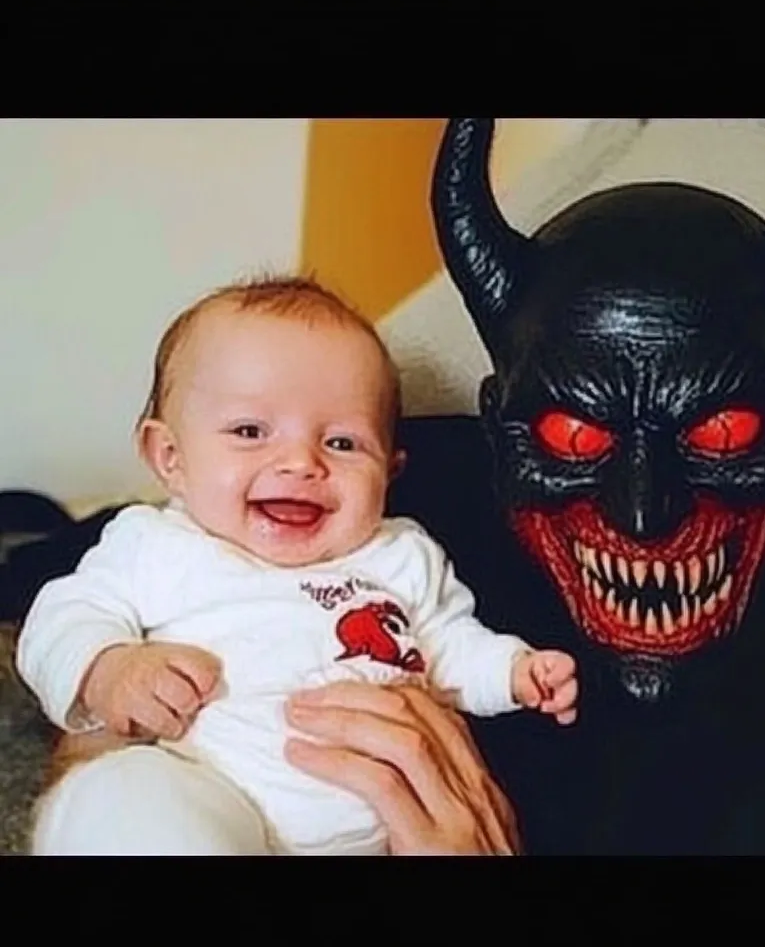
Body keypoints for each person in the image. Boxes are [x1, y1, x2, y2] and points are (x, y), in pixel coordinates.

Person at [14, 116, 765, 856]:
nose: (643, 506)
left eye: (718, 429)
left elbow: (456, 643)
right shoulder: (403, 482)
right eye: (574, 430)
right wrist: (108, 707)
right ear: (502, 421)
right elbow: (64, 597)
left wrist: (513, 682)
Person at [15, 276, 577, 856]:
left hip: (373, 835)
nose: (299, 461)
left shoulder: (401, 554)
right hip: (212, 789)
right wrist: (110, 669)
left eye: (341, 443)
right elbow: (62, 617)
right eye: (250, 431)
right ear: (170, 457)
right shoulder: (157, 543)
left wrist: (514, 670)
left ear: (389, 471)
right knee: (122, 798)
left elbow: (449, 645)